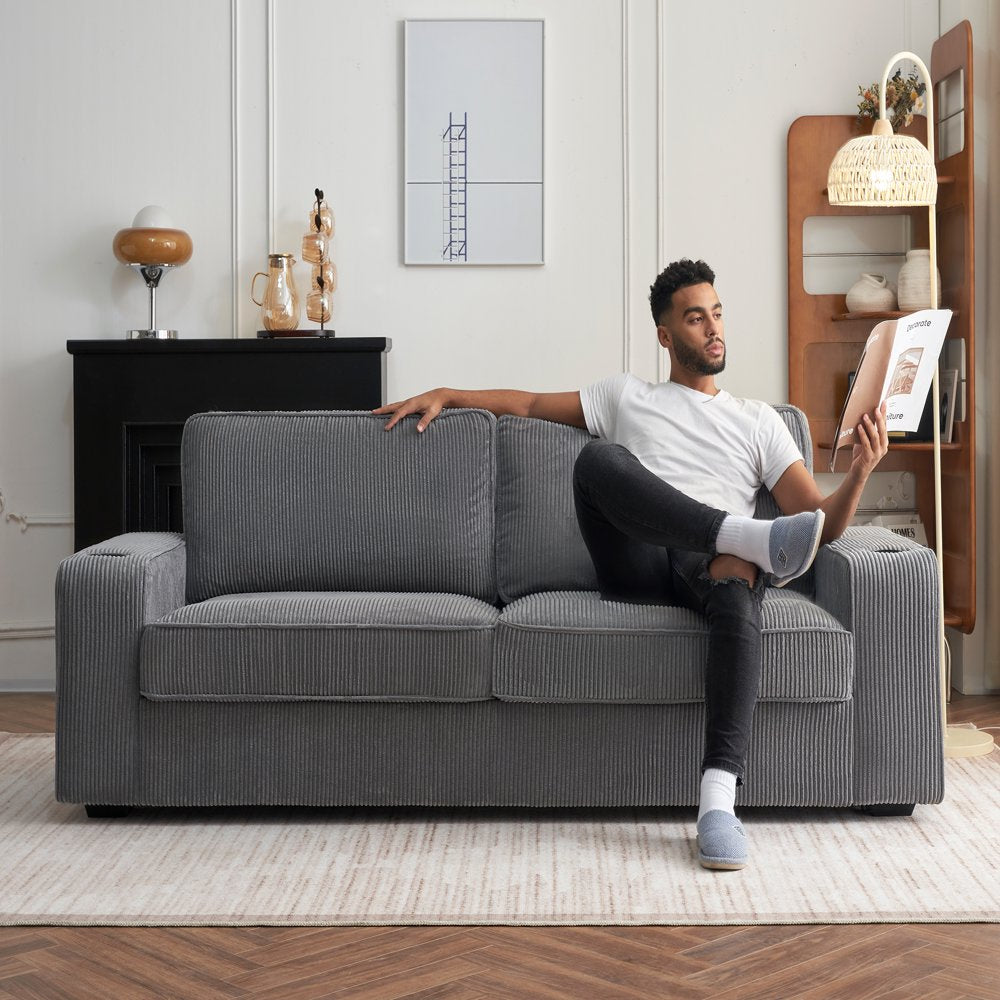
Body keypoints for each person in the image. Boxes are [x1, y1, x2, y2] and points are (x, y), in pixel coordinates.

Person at [374, 258, 888, 871]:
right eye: (695, 318)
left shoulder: (760, 424)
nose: (713, 328)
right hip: (637, 562)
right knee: (597, 463)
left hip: (717, 567)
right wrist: (452, 393)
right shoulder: (628, 396)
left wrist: (858, 473)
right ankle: (738, 532)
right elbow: (532, 402)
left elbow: (816, 532)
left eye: (717, 314)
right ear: (666, 336)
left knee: (740, 571)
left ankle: (718, 804)